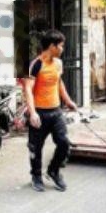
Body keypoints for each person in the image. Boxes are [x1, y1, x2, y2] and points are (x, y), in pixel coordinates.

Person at [23, 29, 79, 192]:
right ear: (52, 46)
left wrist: (68, 100)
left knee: (64, 143)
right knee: (35, 148)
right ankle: (36, 176)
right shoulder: (36, 64)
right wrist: (32, 113)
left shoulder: (58, 63)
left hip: (56, 112)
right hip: (39, 112)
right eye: (60, 46)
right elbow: (28, 89)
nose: (62, 49)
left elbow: (58, 82)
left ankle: (53, 171)